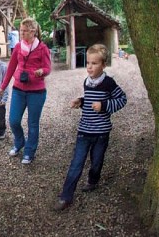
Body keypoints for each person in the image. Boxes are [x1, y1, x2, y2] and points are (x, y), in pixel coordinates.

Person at [54, 44, 127, 211]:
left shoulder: (108, 83)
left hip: (101, 133)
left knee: (96, 162)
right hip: (84, 130)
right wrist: (80, 101)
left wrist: (104, 105)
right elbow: (89, 100)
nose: (89, 67)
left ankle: (93, 181)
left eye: (94, 63)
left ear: (103, 65)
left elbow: (122, 99)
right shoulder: (87, 82)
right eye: (88, 63)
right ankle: (66, 196)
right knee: (76, 163)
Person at [0, 17, 51, 164]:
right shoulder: (18, 47)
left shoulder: (42, 48)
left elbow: (48, 68)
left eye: (24, 31)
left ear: (33, 32)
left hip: (37, 91)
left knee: (33, 124)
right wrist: (3, 85)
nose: (21, 33)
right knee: (14, 120)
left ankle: (29, 151)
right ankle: (19, 142)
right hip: (18, 89)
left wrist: (42, 71)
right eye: (20, 30)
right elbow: (11, 68)